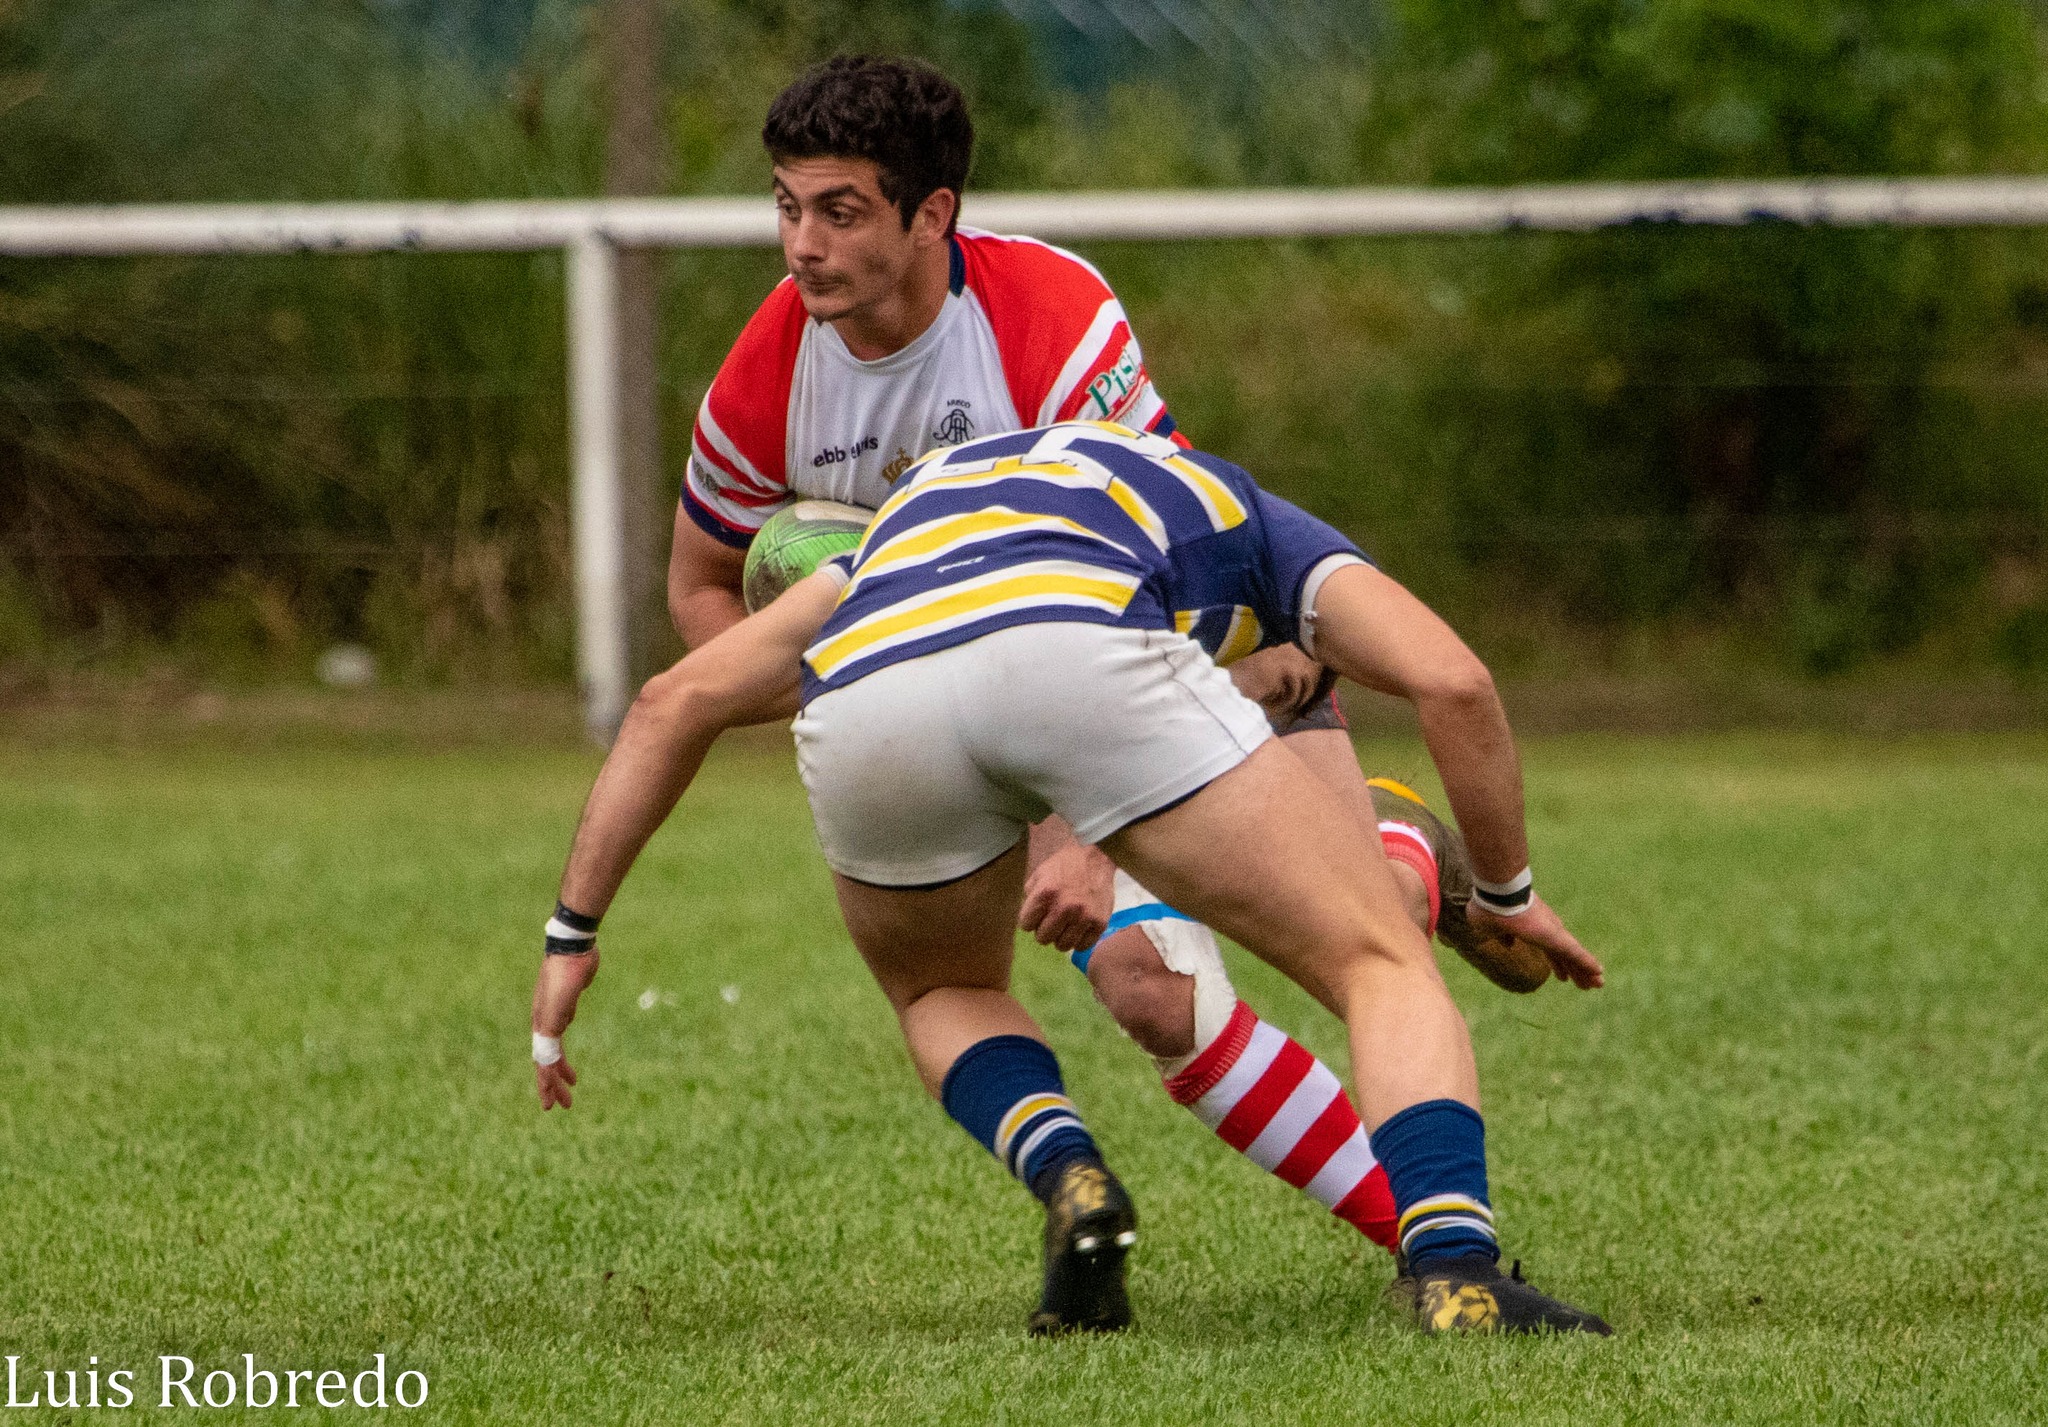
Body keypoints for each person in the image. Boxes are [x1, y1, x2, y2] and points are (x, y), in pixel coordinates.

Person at [664, 54, 1593, 1258]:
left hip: (1192, 642)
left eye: (837, 211)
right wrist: (843, 679)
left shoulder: (1041, 312)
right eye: (787, 207)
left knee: (1366, 933)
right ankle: (1416, 1237)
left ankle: (1403, 851)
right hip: (991, 702)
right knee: (1153, 987)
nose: (801, 245)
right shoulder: (766, 374)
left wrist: (1083, 838)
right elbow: (698, 584)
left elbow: (1153, 584)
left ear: (930, 214)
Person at [532, 420, 1613, 1336]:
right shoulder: (1247, 515)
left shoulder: (908, 519)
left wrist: (570, 933)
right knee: (1378, 958)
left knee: (941, 989)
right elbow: (1452, 680)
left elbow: (669, 702)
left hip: (870, 688)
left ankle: (1070, 1176)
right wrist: (1509, 894)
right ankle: (1456, 1271)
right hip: (1080, 654)